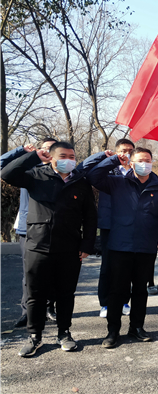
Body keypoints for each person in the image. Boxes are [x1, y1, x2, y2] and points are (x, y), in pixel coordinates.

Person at [2, 142, 98, 357]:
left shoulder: (80, 182)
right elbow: (7, 173)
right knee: (35, 294)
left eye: (72, 156)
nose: (69, 160)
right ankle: (34, 336)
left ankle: (64, 333)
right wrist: (34, 156)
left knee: (66, 293)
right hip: (37, 244)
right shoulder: (36, 175)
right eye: (63, 155)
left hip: (69, 247)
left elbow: (90, 217)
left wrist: (87, 245)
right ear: (52, 158)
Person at [87, 147, 158, 348]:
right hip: (120, 245)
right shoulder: (117, 182)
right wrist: (113, 160)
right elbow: (93, 175)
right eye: (139, 160)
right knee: (117, 290)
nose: (144, 163)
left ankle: (137, 327)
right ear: (131, 162)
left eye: (147, 160)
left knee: (140, 290)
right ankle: (113, 331)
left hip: (145, 246)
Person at [0, 138, 58, 328]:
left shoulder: (62, 171)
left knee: (52, 271)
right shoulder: (28, 170)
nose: (49, 152)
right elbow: (3, 167)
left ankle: (49, 307)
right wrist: (22, 151)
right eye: (46, 149)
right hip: (28, 228)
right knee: (30, 273)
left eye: (52, 149)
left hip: (54, 228)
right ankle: (27, 312)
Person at [96, 138, 135, 318]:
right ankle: (105, 303)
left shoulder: (137, 171)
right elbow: (92, 173)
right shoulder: (108, 170)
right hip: (109, 224)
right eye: (123, 150)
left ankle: (124, 300)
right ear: (116, 151)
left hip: (130, 225)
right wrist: (110, 159)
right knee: (108, 266)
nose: (126, 154)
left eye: (130, 151)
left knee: (126, 266)